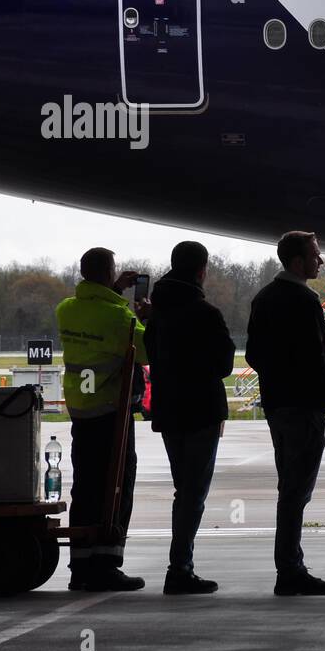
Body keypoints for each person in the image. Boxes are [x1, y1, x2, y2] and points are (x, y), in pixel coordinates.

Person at [246, 231, 325, 596]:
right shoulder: (303, 300)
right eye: (316, 255)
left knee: (289, 486)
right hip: (304, 406)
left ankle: (289, 566)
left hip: (277, 405)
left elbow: (254, 355)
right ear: (298, 262)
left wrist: (278, 377)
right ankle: (290, 570)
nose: (321, 261)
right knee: (297, 490)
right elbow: (318, 359)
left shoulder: (264, 298)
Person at [143, 241, 235, 595]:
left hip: (169, 408)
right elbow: (224, 364)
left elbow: (151, 352)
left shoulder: (159, 314)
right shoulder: (205, 312)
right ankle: (179, 567)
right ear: (201, 270)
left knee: (184, 489)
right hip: (201, 409)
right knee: (193, 492)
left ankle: (180, 564)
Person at [55, 247, 149, 591]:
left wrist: (113, 292)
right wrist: (143, 314)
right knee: (116, 486)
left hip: (81, 409)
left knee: (87, 486)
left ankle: (81, 568)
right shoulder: (118, 317)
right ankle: (107, 564)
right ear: (110, 273)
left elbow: (95, 313)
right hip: (112, 409)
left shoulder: (66, 309)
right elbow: (147, 347)